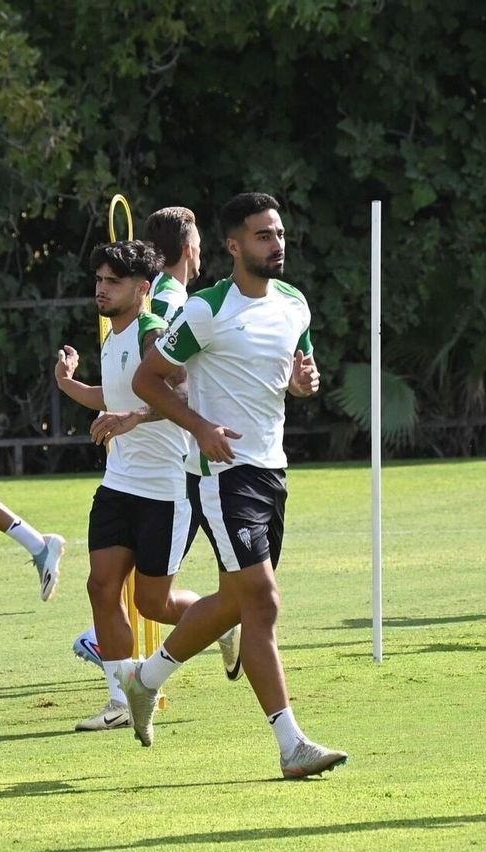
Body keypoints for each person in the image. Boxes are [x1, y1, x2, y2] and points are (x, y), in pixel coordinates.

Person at [125, 192, 346, 779]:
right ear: (233, 245)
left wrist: (304, 383)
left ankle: (143, 679)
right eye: (263, 236)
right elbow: (148, 379)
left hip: (272, 470)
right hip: (223, 475)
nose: (277, 244)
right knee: (262, 603)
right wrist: (199, 428)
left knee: (231, 602)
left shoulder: (295, 304)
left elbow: (296, 377)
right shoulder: (205, 310)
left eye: (278, 233)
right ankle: (291, 745)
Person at [55, 240, 239, 732]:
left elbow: (180, 391)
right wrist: (70, 384)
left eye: (112, 281)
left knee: (152, 603)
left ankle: (221, 623)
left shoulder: (151, 332)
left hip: (166, 488)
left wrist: (133, 417)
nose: (101, 288)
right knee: (100, 586)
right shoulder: (111, 336)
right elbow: (113, 394)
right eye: (98, 280)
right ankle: (120, 698)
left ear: (142, 288)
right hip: (119, 484)